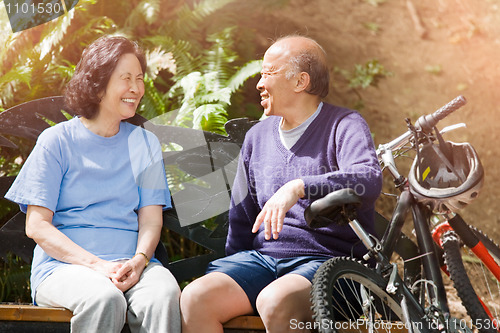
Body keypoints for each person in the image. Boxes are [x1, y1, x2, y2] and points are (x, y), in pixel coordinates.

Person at [180, 35, 383, 332]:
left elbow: (368, 178)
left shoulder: (345, 125)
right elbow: (242, 218)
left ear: (300, 82)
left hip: (329, 265)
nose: (259, 83)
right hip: (262, 262)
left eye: (267, 73)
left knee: (275, 301)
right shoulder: (257, 137)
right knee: (196, 298)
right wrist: (234, 272)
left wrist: (299, 186)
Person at [5, 36, 181, 333]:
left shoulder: (145, 143)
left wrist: (139, 262)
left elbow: (151, 219)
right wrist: (97, 266)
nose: (136, 89)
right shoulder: (56, 141)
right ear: (98, 85)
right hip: (65, 269)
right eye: (126, 79)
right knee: (103, 298)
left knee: (163, 295)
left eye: (139, 79)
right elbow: (36, 226)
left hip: (132, 266)